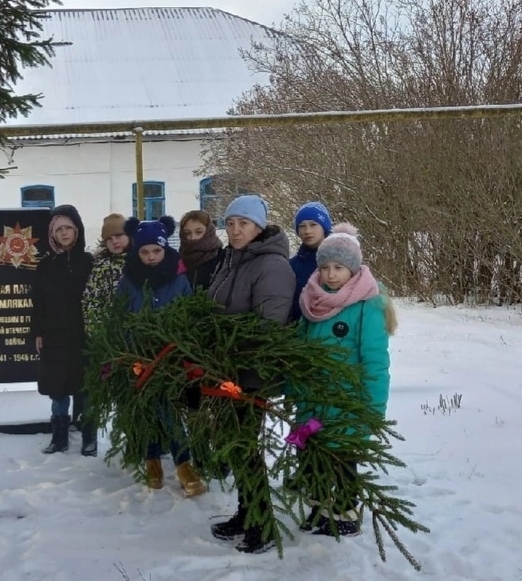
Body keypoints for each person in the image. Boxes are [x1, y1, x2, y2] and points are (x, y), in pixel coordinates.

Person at [207, 194, 295, 554]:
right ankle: (245, 512)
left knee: (245, 447)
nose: (235, 229)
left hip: (251, 373)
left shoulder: (272, 266)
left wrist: (231, 353)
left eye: (243, 223)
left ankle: (262, 522)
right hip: (225, 370)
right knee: (235, 444)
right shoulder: (231, 260)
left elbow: (268, 326)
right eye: (230, 223)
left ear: (259, 226)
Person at [296, 222, 396, 537]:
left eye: (339, 267)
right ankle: (318, 507)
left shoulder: (368, 305)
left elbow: (376, 363)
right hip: (312, 397)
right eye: (325, 267)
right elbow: (298, 349)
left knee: (341, 457)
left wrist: (373, 409)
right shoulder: (312, 301)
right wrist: (292, 387)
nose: (330, 274)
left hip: (346, 400)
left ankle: (345, 512)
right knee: (310, 453)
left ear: (353, 268)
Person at [117, 215, 207, 497]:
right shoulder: (128, 280)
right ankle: (156, 460)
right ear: (137, 252)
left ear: (165, 248)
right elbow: (120, 316)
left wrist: (182, 345)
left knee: (167, 409)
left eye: (156, 251)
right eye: (144, 252)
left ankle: (179, 462)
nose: (151, 257)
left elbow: (190, 313)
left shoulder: (178, 279)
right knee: (148, 408)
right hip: (139, 357)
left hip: (170, 357)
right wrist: (129, 349)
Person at [33, 205, 94, 455]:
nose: (64, 233)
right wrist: (38, 331)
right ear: (52, 234)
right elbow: (38, 301)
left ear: (77, 230)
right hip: (55, 335)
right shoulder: (46, 265)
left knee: (87, 388)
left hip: (84, 335)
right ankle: (59, 436)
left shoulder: (89, 262)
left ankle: (90, 436)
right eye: (59, 229)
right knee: (57, 389)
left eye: (68, 227)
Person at [79, 213, 129, 456]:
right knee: (94, 392)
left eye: (119, 236)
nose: (115, 242)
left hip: (133, 343)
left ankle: (137, 437)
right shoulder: (101, 267)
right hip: (104, 342)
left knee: (130, 394)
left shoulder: (140, 262)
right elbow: (90, 302)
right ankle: (89, 436)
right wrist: (100, 334)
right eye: (109, 238)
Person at [289, 201, 332, 322]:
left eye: (313, 225)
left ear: (324, 227)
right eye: (302, 226)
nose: (307, 231)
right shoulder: (291, 265)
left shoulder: (340, 261)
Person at [178, 210, 225, 291]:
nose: (193, 238)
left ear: (209, 231)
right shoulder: (176, 260)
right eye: (187, 233)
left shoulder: (223, 258)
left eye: (199, 232)